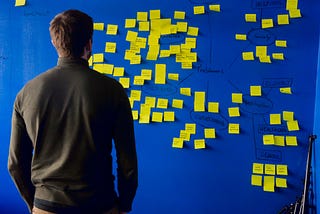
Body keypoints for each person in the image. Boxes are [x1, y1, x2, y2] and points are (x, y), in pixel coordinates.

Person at [8, 9, 138, 214]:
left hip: (46, 206)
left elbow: (15, 164)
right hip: (100, 204)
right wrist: (124, 205)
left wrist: (34, 203)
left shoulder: (26, 93)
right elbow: (127, 164)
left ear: (54, 43)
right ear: (89, 44)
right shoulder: (113, 90)